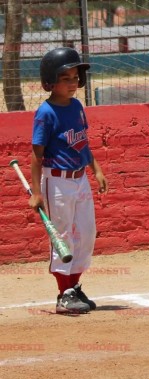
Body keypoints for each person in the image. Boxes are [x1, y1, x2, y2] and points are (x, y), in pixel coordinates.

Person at [29, 47, 108, 314]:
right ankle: (64, 293)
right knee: (62, 236)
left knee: (85, 233)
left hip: (80, 178)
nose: (73, 82)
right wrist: (36, 192)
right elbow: (36, 155)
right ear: (50, 81)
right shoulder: (46, 113)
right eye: (66, 78)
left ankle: (74, 286)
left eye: (76, 77)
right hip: (57, 181)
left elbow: (82, 144)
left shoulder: (76, 106)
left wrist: (95, 169)